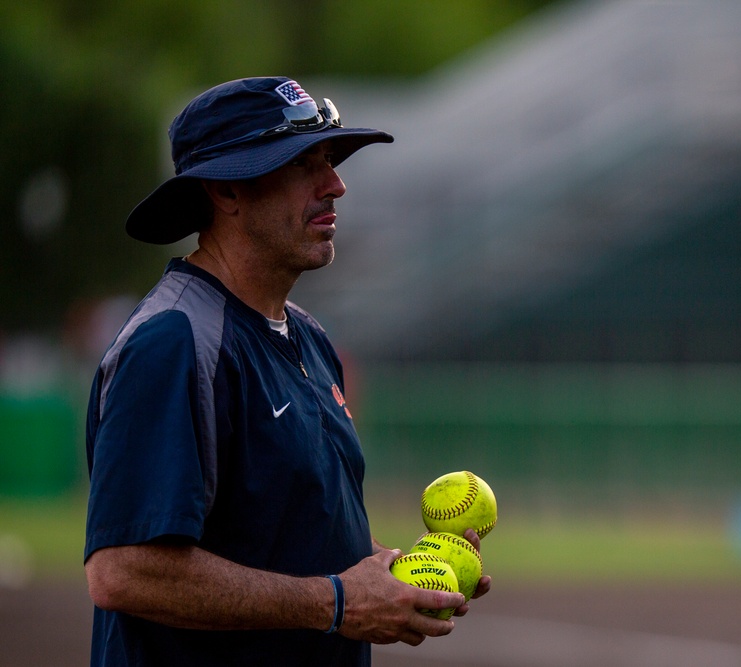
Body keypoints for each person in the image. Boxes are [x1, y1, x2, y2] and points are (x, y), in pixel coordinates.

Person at [84, 76, 489, 667]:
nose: (336, 185)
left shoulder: (309, 336)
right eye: (304, 164)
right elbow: (123, 571)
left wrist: (396, 578)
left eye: (330, 160)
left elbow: (290, 537)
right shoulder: (173, 341)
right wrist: (335, 603)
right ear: (226, 190)